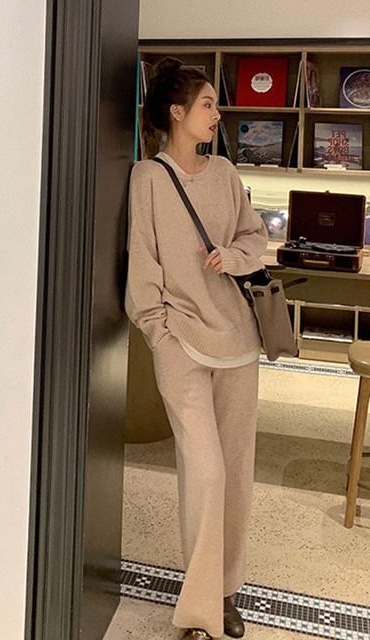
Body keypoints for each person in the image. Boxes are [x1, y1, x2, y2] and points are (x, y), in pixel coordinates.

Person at [125, 57, 269, 640]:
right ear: (177, 113)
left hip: (238, 341)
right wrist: (159, 333)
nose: (216, 114)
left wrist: (232, 258)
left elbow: (255, 238)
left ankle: (225, 592)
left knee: (235, 473)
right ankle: (201, 608)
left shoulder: (226, 173)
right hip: (180, 341)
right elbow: (142, 262)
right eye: (207, 104)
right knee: (205, 473)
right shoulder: (147, 178)